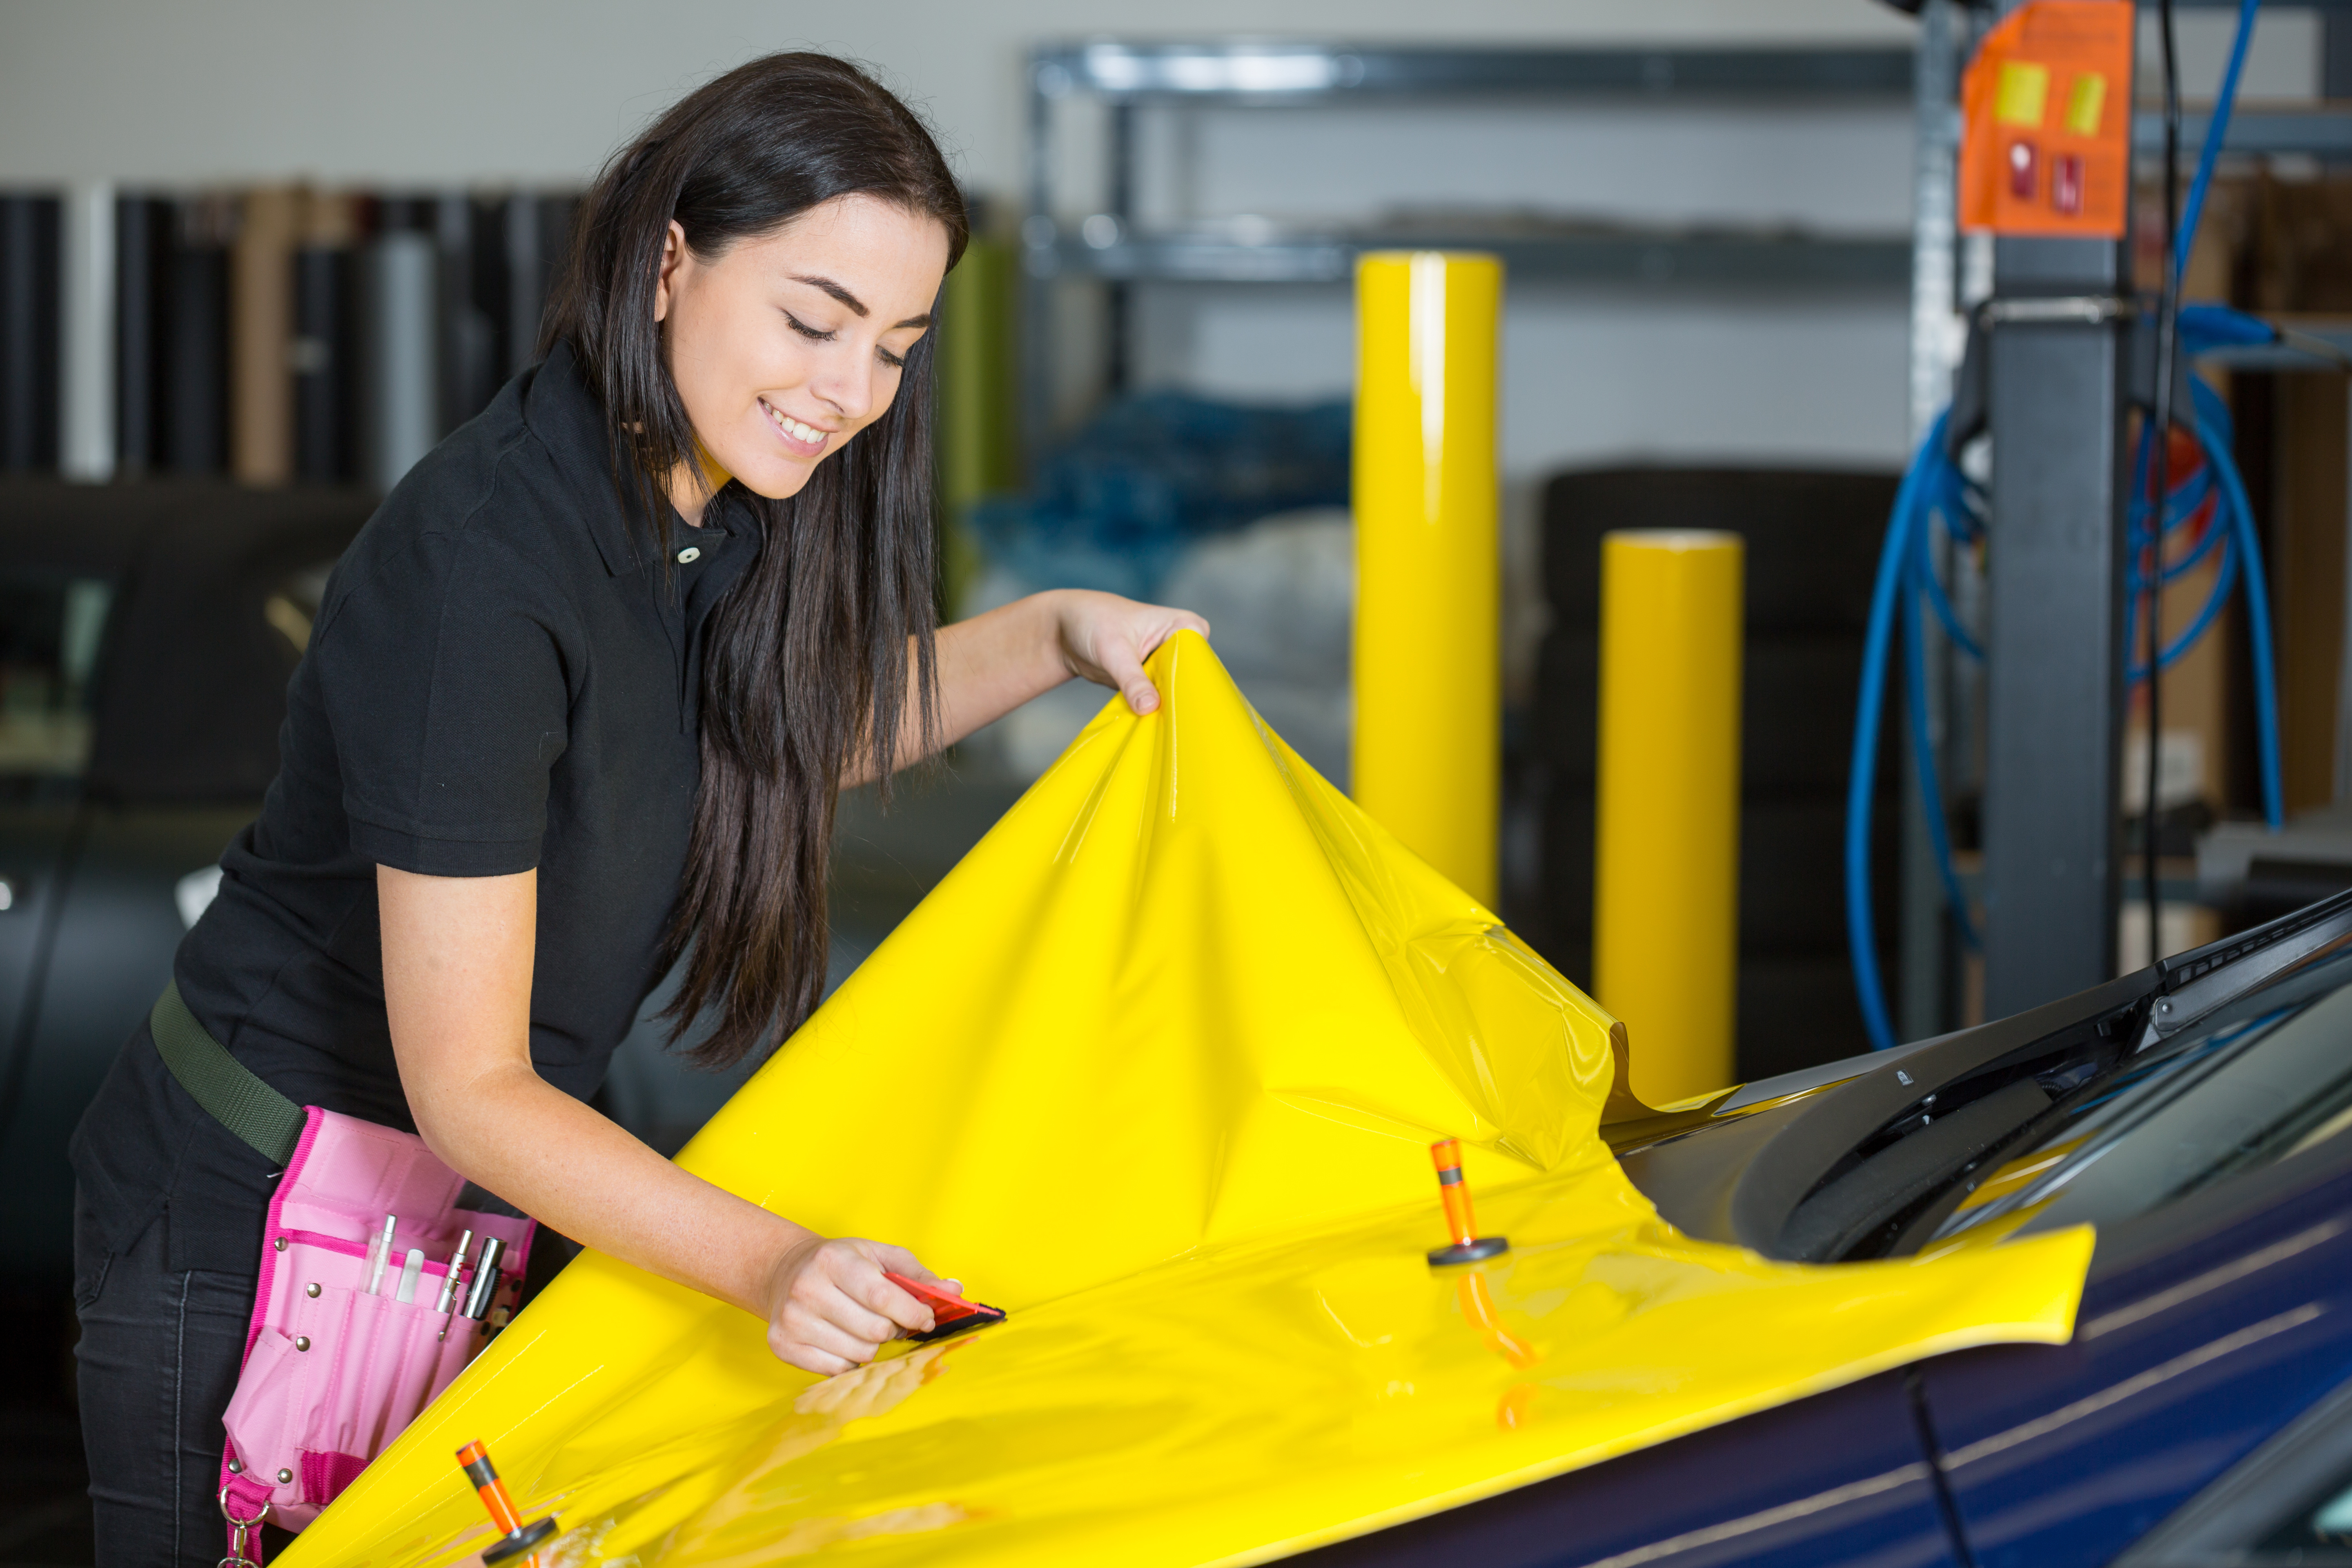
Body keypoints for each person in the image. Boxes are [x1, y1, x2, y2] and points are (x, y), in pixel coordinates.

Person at [68, 51, 1206, 1564]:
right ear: (670, 261)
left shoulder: (706, 506)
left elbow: (783, 735)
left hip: (457, 1203)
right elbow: (468, 1083)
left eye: (896, 349)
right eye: (813, 322)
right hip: (256, 1209)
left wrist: (1061, 631)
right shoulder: (488, 568)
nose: (849, 396)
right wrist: (775, 1264)